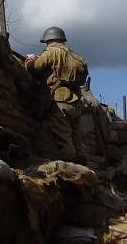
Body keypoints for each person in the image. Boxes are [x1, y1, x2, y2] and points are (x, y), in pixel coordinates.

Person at [25, 26, 89, 162]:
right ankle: (84, 171)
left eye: (46, 43)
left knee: (64, 141)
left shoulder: (52, 52)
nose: (46, 45)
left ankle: (70, 173)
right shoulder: (76, 58)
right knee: (77, 142)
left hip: (59, 103)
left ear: (49, 41)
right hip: (76, 104)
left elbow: (35, 68)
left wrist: (30, 59)